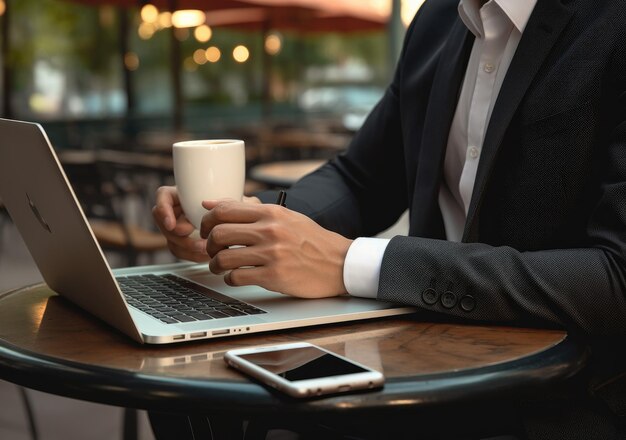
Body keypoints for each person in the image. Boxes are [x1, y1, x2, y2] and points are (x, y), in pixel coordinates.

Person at [152, 0, 626, 438]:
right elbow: (362, 177)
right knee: (185, 398)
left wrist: (350, 263)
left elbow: (616, 278)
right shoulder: (438, 20)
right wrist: (244, 223)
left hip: (563, 395)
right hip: (425, 356)